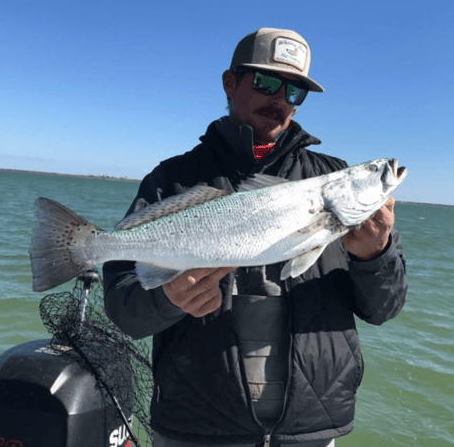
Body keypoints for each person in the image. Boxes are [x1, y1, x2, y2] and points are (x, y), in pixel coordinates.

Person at [103, 28, 407, 447]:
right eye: (266, 82)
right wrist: (166, 299)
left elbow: (384, 309)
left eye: (295, 92)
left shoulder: (334, 177)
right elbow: (124, 312)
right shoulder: (172, 179)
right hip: (196, 429)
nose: (280, 99)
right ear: (230, 83)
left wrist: (375, 256)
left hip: (311, 430)